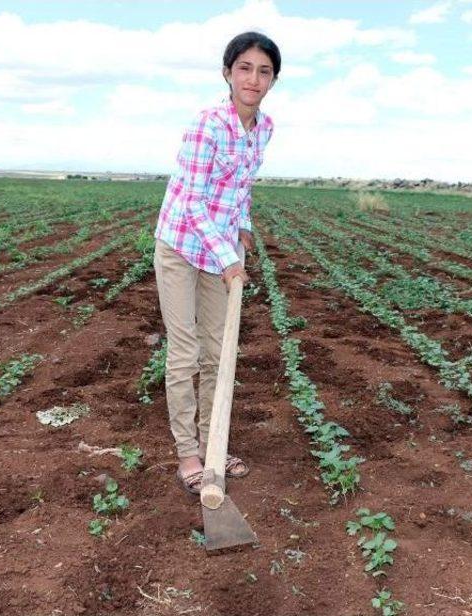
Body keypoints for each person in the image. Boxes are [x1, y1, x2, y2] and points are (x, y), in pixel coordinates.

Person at [153, 31, 281, 495]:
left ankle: (213, 445)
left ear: (272, 81)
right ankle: (188, 453)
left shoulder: (264, 129)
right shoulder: (207, 125)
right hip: (182, 246)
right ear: (227, 73)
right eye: (245, 68)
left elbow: (239, 187)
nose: (254, 78)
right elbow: (193, 202)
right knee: (185, 351)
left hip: (221, 247)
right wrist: (230, 261)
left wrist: (243, 224)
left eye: (264, 71)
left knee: (217, 352)